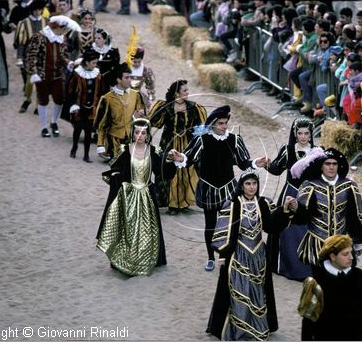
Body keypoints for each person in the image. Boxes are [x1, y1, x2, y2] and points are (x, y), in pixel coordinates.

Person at [168, 105, 269, 271]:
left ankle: (225, 255)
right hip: (208, 187)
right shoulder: (202, 139)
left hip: (228, 188)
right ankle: (210, 257)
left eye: (225, 123)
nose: (224, 126)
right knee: (210, 224)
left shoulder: (234, 140)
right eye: (221, 123)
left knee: (228, 225)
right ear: (213, 124)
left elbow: (244, 163)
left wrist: (256, 163)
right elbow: (190, 159)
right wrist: (180, 157)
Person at [206, 169, 297, 340]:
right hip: (239, 254)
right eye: (248, 184)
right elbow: (226, 232)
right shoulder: (233, 204)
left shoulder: (263, 203)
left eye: (254, 183)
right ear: (241, 186)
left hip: (258, 255)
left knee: (257, 291)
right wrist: (222, 255)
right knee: (239, 290)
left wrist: (284, 211)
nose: (251, 187)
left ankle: (257, 325)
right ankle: (239, 329)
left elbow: (270, 226)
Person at [96, 118, 176, 276]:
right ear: (132, 134)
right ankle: (125, 260)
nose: (140, 135)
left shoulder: (154, 151)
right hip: (129, 196)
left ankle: (147, 260)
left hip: (147, 195)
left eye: (144, 132)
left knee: (148, 230)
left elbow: (164, 172)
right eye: (137, 132)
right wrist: (117, 176)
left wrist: (172, 160)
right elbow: (115, 167)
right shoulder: (125, 149)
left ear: (147, 135)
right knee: (128, 229)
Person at [298, 234, 362, 340]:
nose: (351, 257)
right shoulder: (318, 282)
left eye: (351, 252)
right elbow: (308, 320)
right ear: (332, 256)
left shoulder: (359, 276)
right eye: (345, 254)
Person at [290, 147, 362, 266]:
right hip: (317, 243)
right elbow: (302, 217)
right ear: (321, 166)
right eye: (327, 164)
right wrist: (295, 207)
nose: (331, 167)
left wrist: (358, 242)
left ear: (339, 166)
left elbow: (354, 217)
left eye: (334, 164)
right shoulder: (310, 186)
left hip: (342, 242)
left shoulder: (349, 186)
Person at [265, 117, 317, 280]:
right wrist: (266, 164)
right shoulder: (288, 150)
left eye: (306, 133)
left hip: (310, 196)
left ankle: (311, 266)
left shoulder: (317, 151)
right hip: (291, 193)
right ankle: (289, 266)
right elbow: (276, 169)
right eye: (300, 133)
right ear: (295, 134)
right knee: (288, 231)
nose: (303, 136)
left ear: (310, 135)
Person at [148, 80, 207, 214]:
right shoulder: (166, 107)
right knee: (169, 171)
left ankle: (182, 202)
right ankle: (172, 204)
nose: (187, 92)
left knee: (186, 171)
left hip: (186, 143)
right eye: (184, 90)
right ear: (176, 93)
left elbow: (199, 128)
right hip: (168, 143)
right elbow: (154, 122)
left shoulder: (193, 107)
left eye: (187, 90)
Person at [26, 15, 81, 138]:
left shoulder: (62, 38)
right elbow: (31, 56)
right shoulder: (39, 37)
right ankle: (43, 127)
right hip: (42, 75)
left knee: (59, 99)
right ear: (58, 27)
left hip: (57, 74)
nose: (65, 31)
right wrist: (34, 72)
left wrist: (68, 63)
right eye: (64, 29)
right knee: (43, 100)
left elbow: (63, 56)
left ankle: (53, 122)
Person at [94, 62, 146, 160]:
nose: (130, 80)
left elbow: (142, 117)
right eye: (126, 78)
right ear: (118, 80)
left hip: (131, 139)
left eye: (130, 77)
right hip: (113, 141)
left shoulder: (136, 95)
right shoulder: (107, 98)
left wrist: (140, 115)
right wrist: (100, 145)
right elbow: (101, 124)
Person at [67, 49, 104, 163]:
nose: (95, 65)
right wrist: (73, 104)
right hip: (79, 107)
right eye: (93, 63)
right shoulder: (77, 73)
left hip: (91, 108)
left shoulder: (97, 74)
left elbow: (101, 91)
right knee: (77, 130)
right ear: (87, 62)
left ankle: (86, 155)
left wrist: (100, 105)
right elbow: (70, 90)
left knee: (88, 131)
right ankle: (74, 148)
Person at [14, 0, 48, 114]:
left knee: (41, 82)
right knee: (29, 82)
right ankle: (28, 99)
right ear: (32, 10)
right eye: (36, 9)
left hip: (43, 56)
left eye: (40, 9)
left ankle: (38, 105)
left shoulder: (46, 22)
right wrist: (19, 57)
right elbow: (21, 43)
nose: (38, 12)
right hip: (29, 57)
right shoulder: (24, 23)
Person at [92, 28, 120, 93]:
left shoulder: (113, 52)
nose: (96, 40)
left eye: (99, 38)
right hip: (92, 79)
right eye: (95, 38)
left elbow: (116, 68)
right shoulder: (91, 50)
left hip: (106, 80)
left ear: (105, 40)